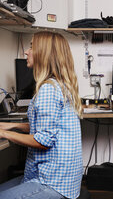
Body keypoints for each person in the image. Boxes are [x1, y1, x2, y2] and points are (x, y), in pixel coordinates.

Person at [0, 32, 83, 199]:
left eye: (31, 46)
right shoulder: (60, 84)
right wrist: (11, 125)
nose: (26, 52)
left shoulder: (48, 89)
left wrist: (3, 133)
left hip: (53, 182)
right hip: (64, 179)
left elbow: (43, 140)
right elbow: (48, 126)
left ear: (44, 54)